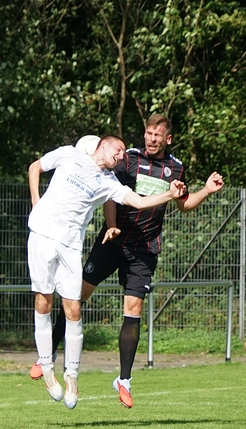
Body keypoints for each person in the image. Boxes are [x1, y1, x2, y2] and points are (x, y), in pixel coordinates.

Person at [38, 116, 225, 408]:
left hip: (144, 250)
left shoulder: (175, 167)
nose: (151, 139)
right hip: (113, 242)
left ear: (168, 139)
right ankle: (48, 353)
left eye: (157, 135)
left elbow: (183, 204)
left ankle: (123, 380)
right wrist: (112, 225)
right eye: (148, 133)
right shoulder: (129, 159)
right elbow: (109, 194)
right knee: (76, 296)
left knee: (133, 309)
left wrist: (206, 190)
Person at [26, 135, 186, 409]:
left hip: (70, 245)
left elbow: (137, 201)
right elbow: (35, 167)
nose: (122, 155)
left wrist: (170, 195)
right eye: (119, 149)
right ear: (102, 145)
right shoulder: (69, 155)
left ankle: (72, 376)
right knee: (44, 301)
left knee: (73, 308)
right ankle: (47, 368)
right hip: (41, 234)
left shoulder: (108, 182)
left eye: (124, 153)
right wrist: (36, 202)